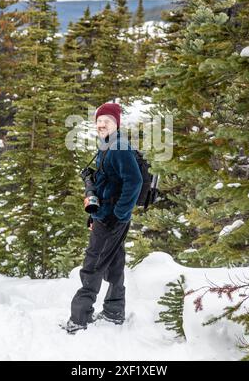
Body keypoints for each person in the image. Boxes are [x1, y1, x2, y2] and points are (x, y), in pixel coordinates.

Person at [66, 102, 143, 334]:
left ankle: (79, 319)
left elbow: (135, 181)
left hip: (111, 218)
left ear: (116, 124)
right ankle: (114, 311)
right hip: (105, 216)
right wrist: (95, 214)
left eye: (106, 121)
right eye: (99, 121)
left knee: (93, 264)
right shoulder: (107, 145)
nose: (101, 125)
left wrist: (120, 213)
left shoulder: (119, 147)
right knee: (115, 261)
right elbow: (107, 183)